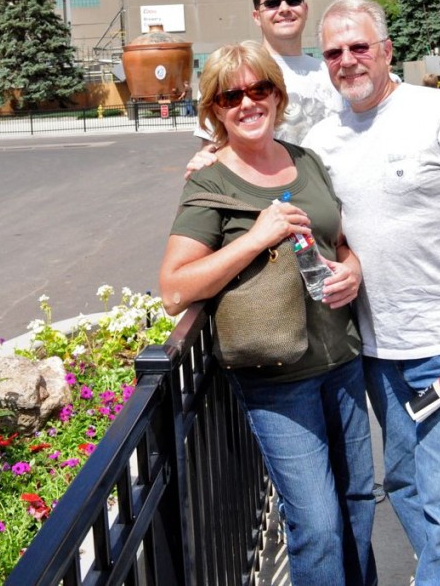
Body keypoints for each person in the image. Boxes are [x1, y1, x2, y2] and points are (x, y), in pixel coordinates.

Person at [302, 0, 440, 586]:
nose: (348, 60)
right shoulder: (323, 139)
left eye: (359, 46)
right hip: (378, 354)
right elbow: (328, 228)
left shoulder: (438, 111)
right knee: (407, 485)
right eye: (335, 51)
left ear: (386, 51)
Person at [161, 41, 377, 586]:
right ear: (214, 110)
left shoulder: (306, 162)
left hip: (343, 360)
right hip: (277, 380)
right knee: (318, 526)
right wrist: (255, 239)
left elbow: (337, 240)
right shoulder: (210, 182)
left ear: (277, 97)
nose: (247, 103)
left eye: (259, 90)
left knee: (357, 504)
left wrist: (351, 266)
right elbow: (174, 289)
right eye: (231, 95)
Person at [194, 0, 344, 148]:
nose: (284, 9)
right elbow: (212, 149)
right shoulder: (230, 76)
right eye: (272, 4)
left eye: (293, 0)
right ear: (257, 16)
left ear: (305, 9)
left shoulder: (333, 72)